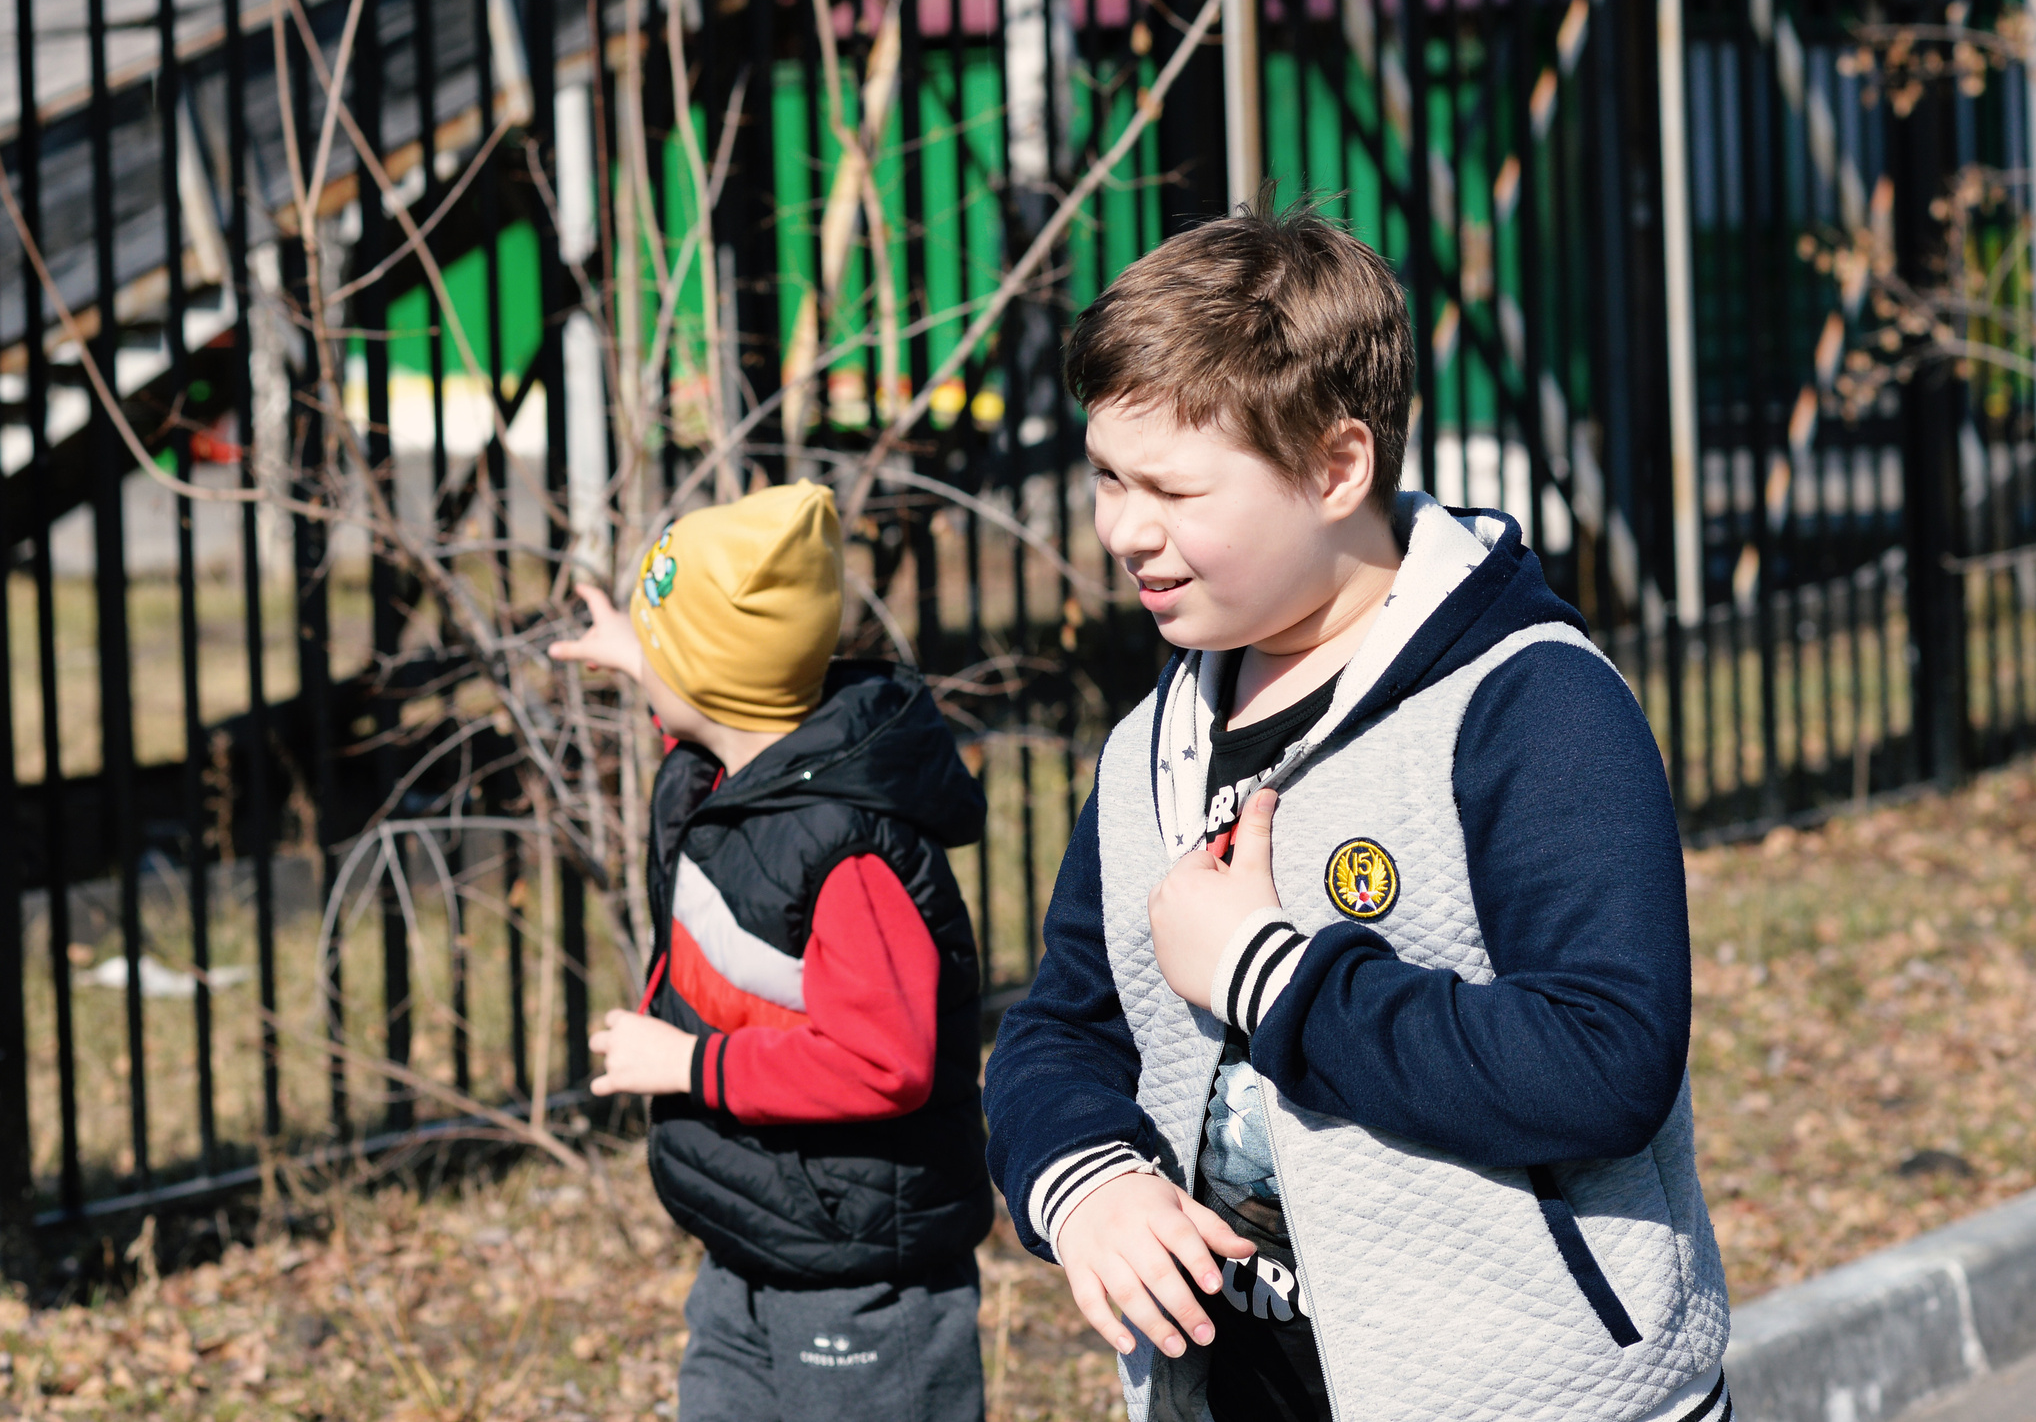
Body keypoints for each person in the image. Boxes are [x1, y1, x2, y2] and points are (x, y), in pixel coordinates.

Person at [983, 206, 1730, 1422]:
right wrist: (1081, 1180)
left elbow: (1606, 1058)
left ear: (1337, 468)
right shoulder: (1149, 748)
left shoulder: (1532, 705)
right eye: (1107, 476)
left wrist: (1269, 975)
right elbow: (1061, 1025)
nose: (1123, 527)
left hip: (1529, 1391)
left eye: (1172, 486)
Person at [548, 480, 994, 1422]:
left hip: (863, 1269)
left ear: (711, 680)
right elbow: (704, 694)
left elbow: (884, 1061)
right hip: (758, 1236)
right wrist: (640, 656)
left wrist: (690, 1062)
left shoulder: (847, 852)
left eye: (661, 645)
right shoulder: (735, 766)